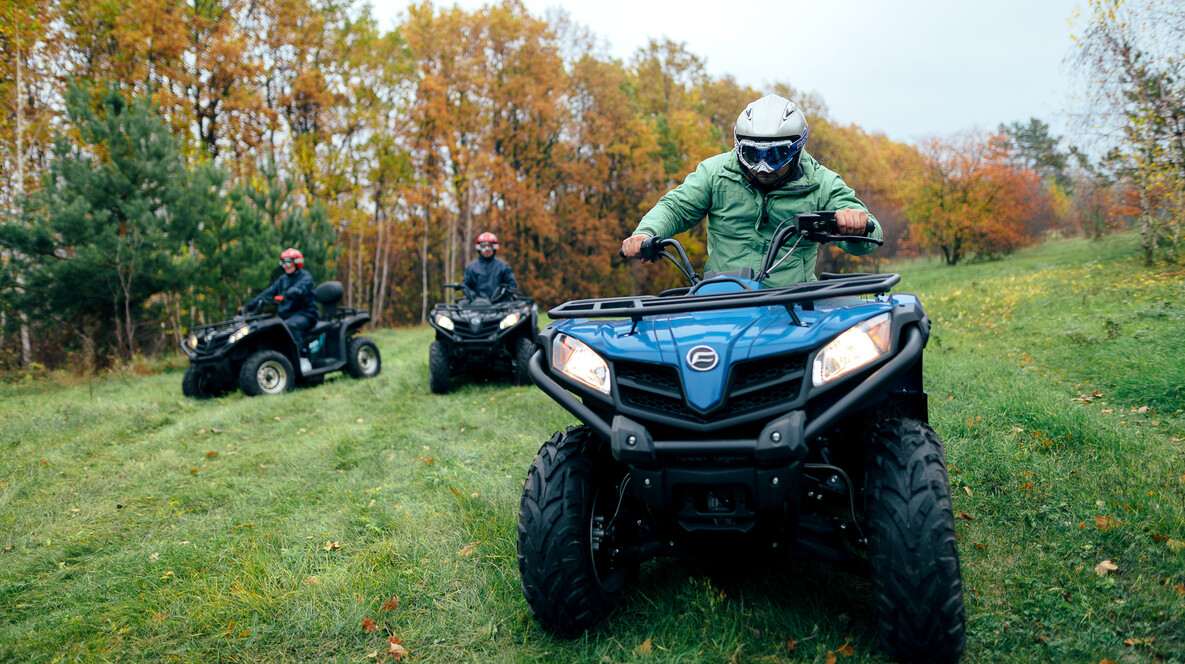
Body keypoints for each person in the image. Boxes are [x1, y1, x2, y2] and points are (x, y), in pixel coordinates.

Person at [621, 94, 883, 288]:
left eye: (776, 155)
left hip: (793, 300)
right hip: (720, 297)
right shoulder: (715, 173)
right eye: (752, 154)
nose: (763, 166)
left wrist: (855, 224)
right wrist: (647, 232)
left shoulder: (821, 183)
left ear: (797, 148)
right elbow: (676, 207)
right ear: (738, 146)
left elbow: (871, 235)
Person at [241, 248, 318, 355]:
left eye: (289, 263)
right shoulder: (282, 279)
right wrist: (248, 306)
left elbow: (297, 289)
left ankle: (301, 356)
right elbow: (267, 293)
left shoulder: (305, 277)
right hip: (286, 316)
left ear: (297, 264)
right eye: (284, 264)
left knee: (290, 325)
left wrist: (285, 295)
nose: (286, 266)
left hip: (306, 314)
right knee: (269, 327)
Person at [462, 232, 518, 300]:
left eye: (489, 247)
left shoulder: (503, 267)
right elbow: (465, 286)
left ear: (494, 248)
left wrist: (500, 295)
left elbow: (511, 285)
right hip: (476, 306)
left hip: (499, 305)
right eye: (484, 247)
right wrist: (475, 298)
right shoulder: (471, 267)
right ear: (479, 248)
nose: (487, 250)